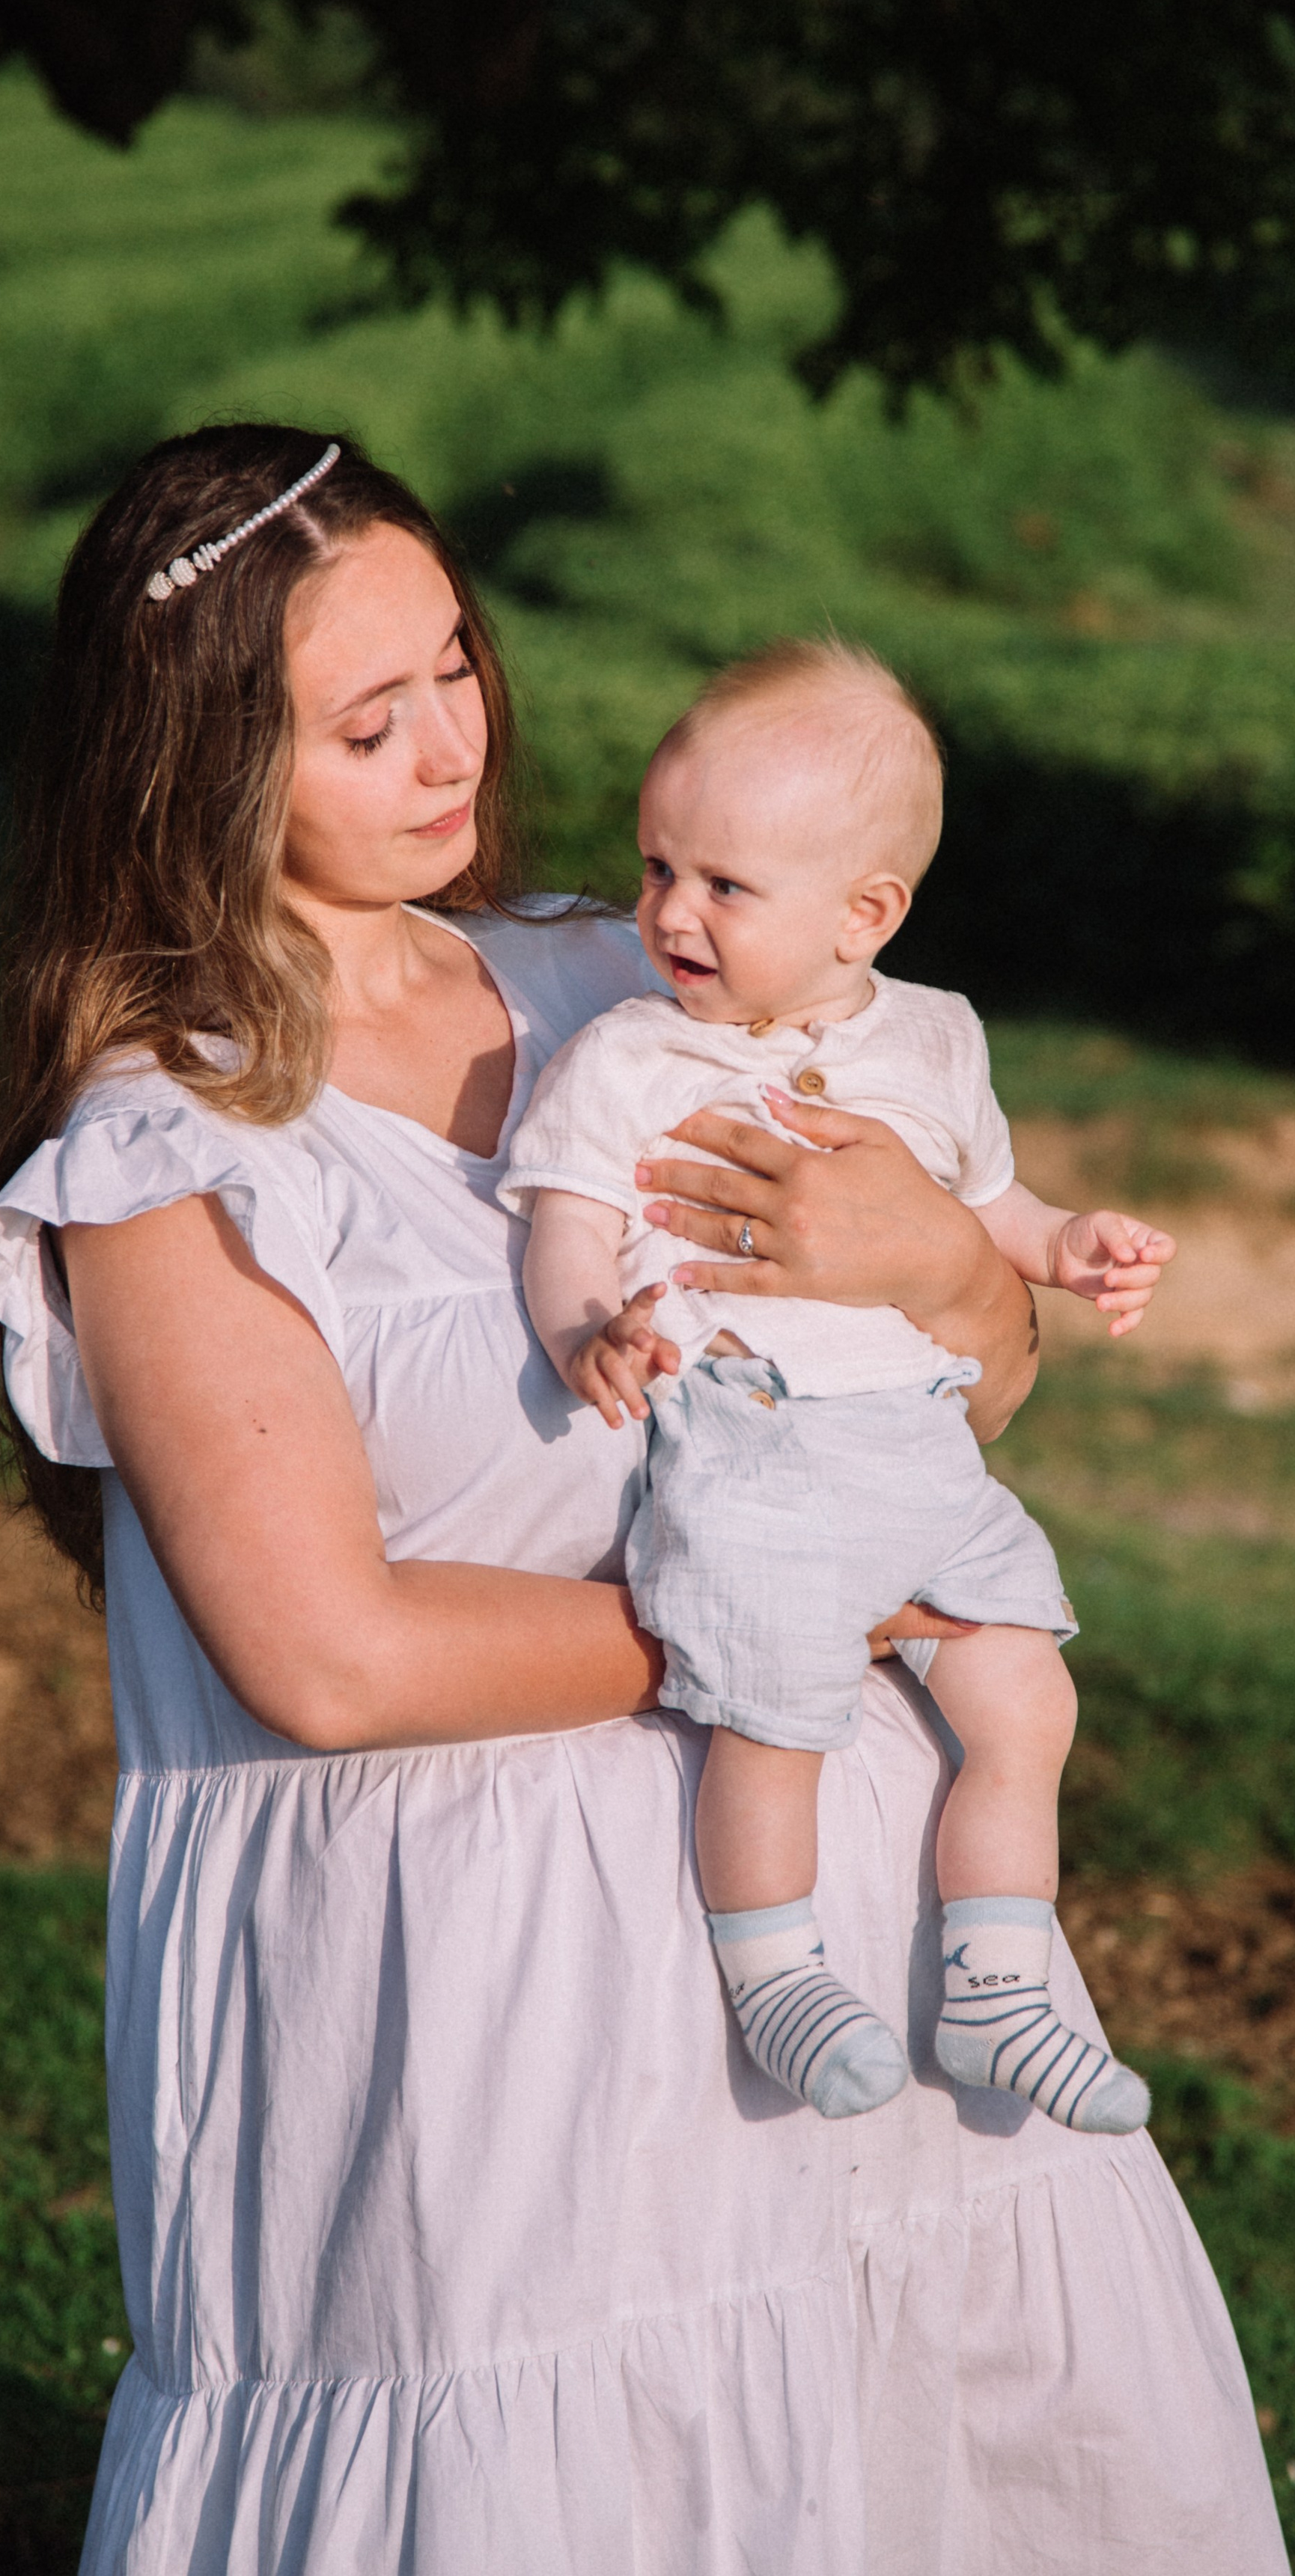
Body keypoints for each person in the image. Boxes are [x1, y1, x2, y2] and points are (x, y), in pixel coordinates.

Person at [0, 421, 1289, 2572]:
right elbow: (330, 1660)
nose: (451, 749)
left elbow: (957, 1384)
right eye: (365, 721)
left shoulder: (643, 978)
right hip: (476, 2008)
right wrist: (807, 1616)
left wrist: (947, 1264)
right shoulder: (177, 1149)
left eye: (460, 668)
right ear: (188, 774)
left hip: (829, 1923)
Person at [507, 637, 1171, 2136]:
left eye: (723, 886)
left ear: (864, 913)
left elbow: (983, 1211)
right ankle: (776, 1971)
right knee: (774, 1709)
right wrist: (583, 1336)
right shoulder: (626, 1061)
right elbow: (563, 1231)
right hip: (754, 1442)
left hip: (923, 1446)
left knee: (1025, 1695)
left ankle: (998, 1985)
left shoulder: (931, 1037)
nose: (669, 911)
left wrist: (1069, 1245)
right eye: (656, 864)